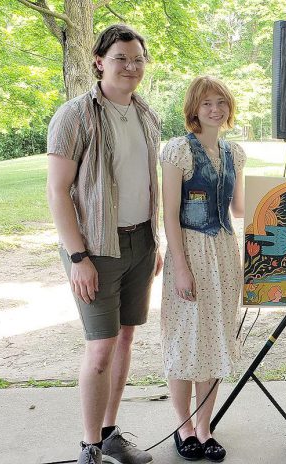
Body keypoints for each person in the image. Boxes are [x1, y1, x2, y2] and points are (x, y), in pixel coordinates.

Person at [46, 24, 160, 464]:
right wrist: (78, 258)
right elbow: (57, 191)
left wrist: (156, 242)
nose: (131, 67)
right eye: (121, 58)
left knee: (126, 339)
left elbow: (145, 184)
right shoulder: (74, 115)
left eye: (137, 59)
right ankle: (90, 448)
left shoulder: (146, 114)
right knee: (100, 349)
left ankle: (111, 435)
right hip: (95, 249)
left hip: (141, 244)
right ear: (99, 61)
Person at [159, 76, 245, 461]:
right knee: (185, 338)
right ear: (194, 109)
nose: (215, 109)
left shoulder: (234, 153)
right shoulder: (178, 151)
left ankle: (206, 426)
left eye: (221, 103)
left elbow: (241, 208)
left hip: (224, 254)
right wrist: (180, 267)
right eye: (207, 103)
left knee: (215, 340)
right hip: (190, 252)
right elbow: (170, 215)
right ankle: (184, 425)